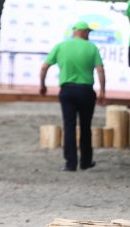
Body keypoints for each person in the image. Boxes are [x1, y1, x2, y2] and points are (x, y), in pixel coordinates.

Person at [39, 21, 106, 171]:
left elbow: (44, 67)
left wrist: (42, 85)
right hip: (86, 91)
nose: (88, 35)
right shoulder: (92, 48)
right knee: (85, 127)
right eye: (88, 32)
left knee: (69, 126)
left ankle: (70, 163)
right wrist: (103, 91)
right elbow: (100, 69)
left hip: (67, 91)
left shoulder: (61, 46)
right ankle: (86, 162)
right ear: (82, 32)